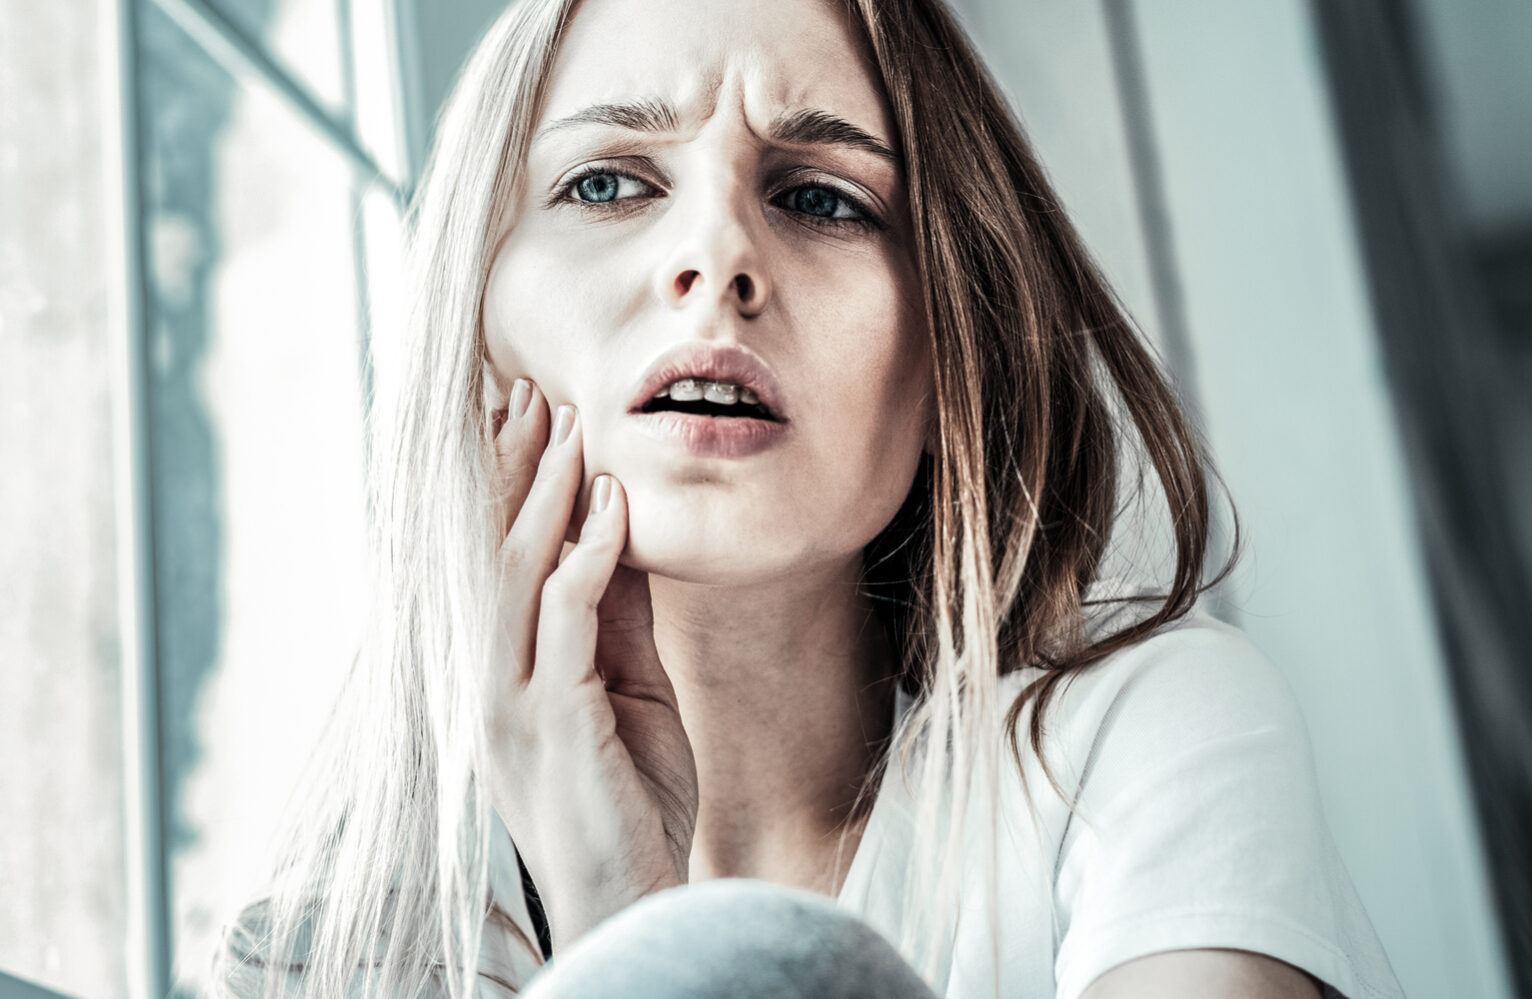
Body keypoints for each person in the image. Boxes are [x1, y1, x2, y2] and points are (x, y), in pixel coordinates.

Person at [210, 0, 1404, 997]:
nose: (717, 253)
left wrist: (624, 928)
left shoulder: (1140, 745)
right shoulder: (332, 964)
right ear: (472, 336)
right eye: (610, 183)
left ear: (952, 352)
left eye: (823, 198)